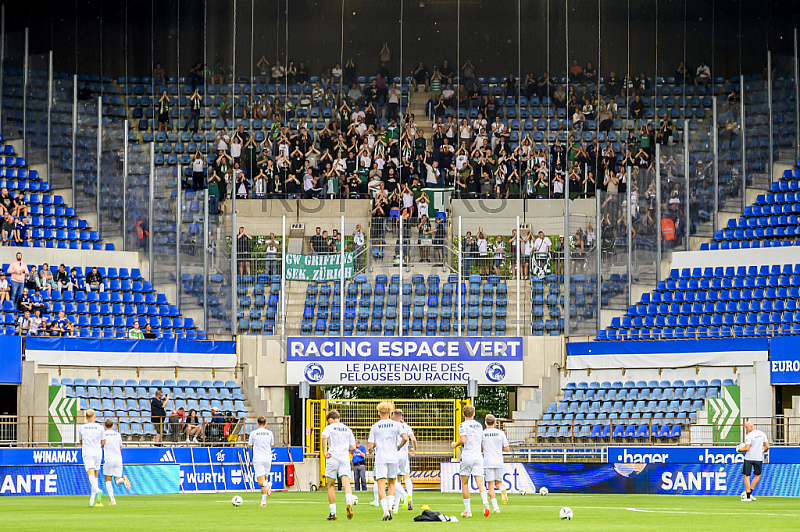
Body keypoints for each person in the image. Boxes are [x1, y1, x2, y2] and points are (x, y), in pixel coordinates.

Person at [368, 401, 408, 521]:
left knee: (381, 484)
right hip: (393, 457)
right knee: (392, 483)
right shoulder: (396, 425)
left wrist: (374, 447)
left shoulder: (375, 426)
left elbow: (370, 445)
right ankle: (390, 506)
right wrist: (399, 447)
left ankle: (385, 509)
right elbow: (405, 438)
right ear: (390, 412)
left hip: (381, 457)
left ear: (379, 413)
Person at [451, 404, 490, 518]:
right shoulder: (479, 425)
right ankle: (485, 503)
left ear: (463, 414)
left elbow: (463, 439)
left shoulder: (462, 425)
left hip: (467, 456)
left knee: (464, 483)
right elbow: (482, 441)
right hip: (478, 456)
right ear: (474, 414)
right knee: (480, 483)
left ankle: (468, 511)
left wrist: (455, 444)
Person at [321, 409, 357, 521]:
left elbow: (324, 437)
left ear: (330, 419)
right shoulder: (347, 429)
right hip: (344, 457)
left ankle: (333, 512)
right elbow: (353, 446)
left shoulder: (329, 428)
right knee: (346, 483)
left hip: (332, 457)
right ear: (339, 418)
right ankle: (348, 502)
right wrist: (345, 448)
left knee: (331, 485)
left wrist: (324, 451)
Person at [482, 414, 510, 513]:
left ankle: (496, 508)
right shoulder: (500, 433)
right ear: (495, 423)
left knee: (490, 486)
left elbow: (480, 447)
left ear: (485, 423)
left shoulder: (483, 433)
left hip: (488, 462)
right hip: (498, 461)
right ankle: (502, 488)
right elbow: (507, 448)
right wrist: (499, 447)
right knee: (498, 483)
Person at [391, 409, 417, 512]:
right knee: (406, 476)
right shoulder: (406, 426)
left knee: (394, 480)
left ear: (393, 416)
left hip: (394, 453)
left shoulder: (391, 426)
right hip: (404, 455)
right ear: (402, 417)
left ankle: (404, 496)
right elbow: (413, 439)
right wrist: (415, 450)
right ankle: (408, 498)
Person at [101, 418, 131, 506]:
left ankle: (112, 499)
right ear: (113, 425)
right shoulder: (118, 434)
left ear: (104, 426)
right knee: (117, 481)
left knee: (108, 480)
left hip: (109, 459)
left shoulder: (103, 434)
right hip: (118, 458)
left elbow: (102, 445)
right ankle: (123, 479)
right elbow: (120, 447)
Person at [738, 420, 769, 502]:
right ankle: (750, 493)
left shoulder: (749, 436)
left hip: (749, 458)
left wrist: (739, 450)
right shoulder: (762, 434)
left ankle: (748, 496)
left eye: (746, 427)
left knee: (746, 476)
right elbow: (767, 446)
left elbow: (747, 448)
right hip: (759, 458)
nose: (746, 428)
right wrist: (762, 451)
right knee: (758, 475)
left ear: (751, 426)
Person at [248, 416, 275, 508]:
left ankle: (268, 485)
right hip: (268, 458)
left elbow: (250, 446)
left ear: (257, 424)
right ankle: (263, 502)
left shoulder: (253, 433)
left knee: (260, 482)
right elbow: (271, 445)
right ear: (266, 423)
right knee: (264, 480)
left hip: (258, 459)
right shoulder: (270, 433)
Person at [79, 409, 105, 507]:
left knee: (91, 474)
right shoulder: (100, 427)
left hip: (87, 452)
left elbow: (80, 441)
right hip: (98, 453)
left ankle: (97, 490)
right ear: (94, 417)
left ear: (86, 417)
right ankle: (92, 499)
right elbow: (104, 441)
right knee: (95, 476)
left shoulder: (82, 428)